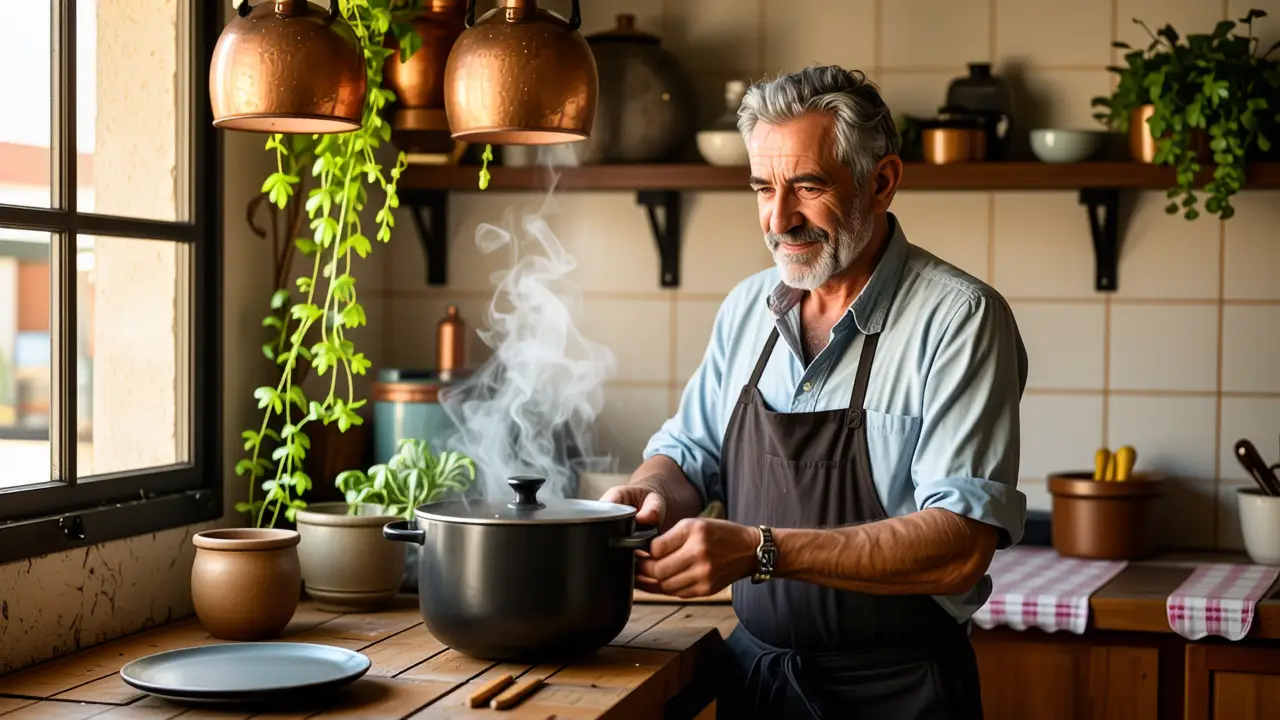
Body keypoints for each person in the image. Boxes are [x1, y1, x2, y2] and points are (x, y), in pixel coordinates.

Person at [600, 65, 1029, 719]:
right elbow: (688, 454)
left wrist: (759, 551)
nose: (778, 219)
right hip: (757, 682)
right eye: (762, 188)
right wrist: (652, 489)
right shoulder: (748, 308)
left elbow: (959, 546)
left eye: (806, 186)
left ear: (881, 182)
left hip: (899, 692)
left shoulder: (959, 319)